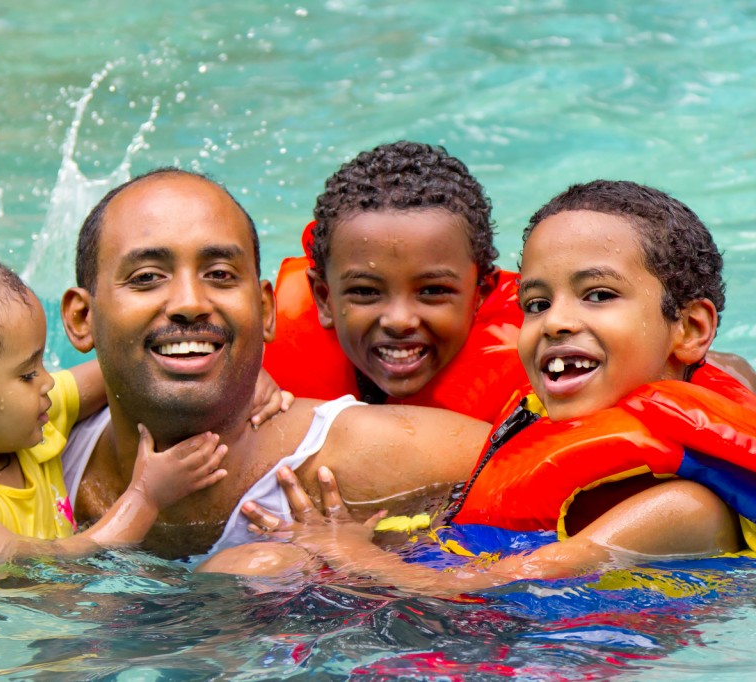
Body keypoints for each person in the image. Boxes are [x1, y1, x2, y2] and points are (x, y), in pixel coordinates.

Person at [233, 180, 756, 593]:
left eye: (598, 295)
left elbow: (496, 584)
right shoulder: (534, 415)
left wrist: (348, 553)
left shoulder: (684, 507)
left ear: (688, 328)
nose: (555, 320)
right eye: (536, 301)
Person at [57, 167, 495, 560]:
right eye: (147, 278)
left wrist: (372, 571)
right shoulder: (37, 449)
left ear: (265, 311)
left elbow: (546, 471)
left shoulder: (365, 457)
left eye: (220, 275)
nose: (190, 303)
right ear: (81, 318)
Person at [264, 141, 756, 424]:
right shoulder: (266, 364)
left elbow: (708, 370)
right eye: (366, 293)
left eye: (434, 291)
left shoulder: (540, 358)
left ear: (484, 293)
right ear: (324, 298)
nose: (399, 319)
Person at [0, 249, 288, 568]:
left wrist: (229, 376)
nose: (48, 382)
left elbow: (118, 371)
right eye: (28, 373)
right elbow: (47, 567)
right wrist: (146, 496)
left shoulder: (19, 420)